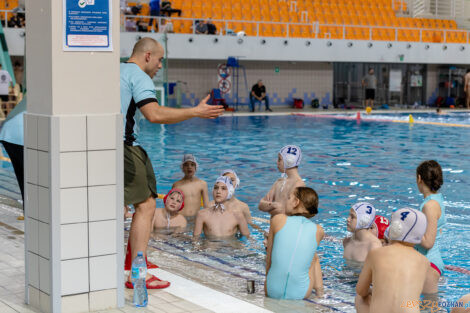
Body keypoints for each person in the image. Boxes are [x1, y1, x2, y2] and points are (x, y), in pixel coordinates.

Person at [121, 37, 224, 289]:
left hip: (108, 146)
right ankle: (138, 271)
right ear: (147, 56)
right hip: (123, 147)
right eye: (159, 60)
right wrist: (195, 112)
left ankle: (130, 263)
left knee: (136, 204)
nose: (159, 66)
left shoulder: (117, 71)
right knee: (145, 206)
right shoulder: (139, 76)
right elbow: (154, 114)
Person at [355, 208, 429, 313]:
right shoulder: (424, 261)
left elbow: (361, 290)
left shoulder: (376, 253)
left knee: (360, 298)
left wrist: (374, 291)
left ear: (393, 229)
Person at [265, 187, 324, 299]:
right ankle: (320, 293)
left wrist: (267, 283)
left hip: (272, 289)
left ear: (296, 202)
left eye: (289, 198)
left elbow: (269, 258)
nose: (286, 201)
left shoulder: (277, 219)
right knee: (314, 257)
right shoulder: (319, 230)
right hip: (301, 293)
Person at [415, 160, 446, 294]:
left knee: (430, 307)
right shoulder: (436, 199)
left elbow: (428, 242)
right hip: (427, 263)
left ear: (419, 178)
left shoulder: (430, 205)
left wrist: (408, 228)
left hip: (429, 264)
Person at [259, 145, 305, 217]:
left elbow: (286, 212)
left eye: (279, 159)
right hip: (276, 226)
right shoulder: (279, 182)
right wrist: (273, 205)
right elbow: (261, 205)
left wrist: (269, 207)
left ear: (288, 161)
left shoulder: (299, 185)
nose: (277, 162)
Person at [0, 96, 26, 201]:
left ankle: (29, 212)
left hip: (8, 131)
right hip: (20, 134)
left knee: (25, 181)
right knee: (31, 181)